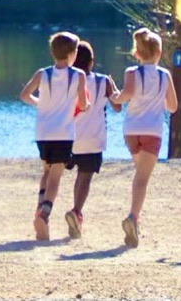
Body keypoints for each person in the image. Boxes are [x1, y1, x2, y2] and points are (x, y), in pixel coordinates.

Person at [110, 27, 178, 248]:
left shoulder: (131, 72)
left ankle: (135, 222)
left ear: (137, 53)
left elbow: (126, 95)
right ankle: (133, 217)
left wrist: (115, 96)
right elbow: (173, 107)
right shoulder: (164, 75)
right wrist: (158, 100)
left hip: (132, 131)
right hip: (152, 131)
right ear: (159, 53)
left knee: (139, 174)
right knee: (142, 178)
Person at [19, 31, 89, 241]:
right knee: (56, 178)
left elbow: (24, 95)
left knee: (47, 172)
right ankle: (44, 214)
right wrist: (85, 106)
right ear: (72, 53)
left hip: (43, 132)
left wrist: (40, 103)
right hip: (63, 133)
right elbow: (83, 104)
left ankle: (40, 207)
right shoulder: (78, 75)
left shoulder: (43, 73)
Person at [64, 39, 121, 239]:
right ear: (91, 62)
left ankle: (51, 210)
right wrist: (114, 87)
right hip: (93, 139)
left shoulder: (68, 80)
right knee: (85, 176)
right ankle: (77, 211)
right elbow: (117, 106)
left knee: (67, 174)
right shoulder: (103, 81)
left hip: (68, 138)